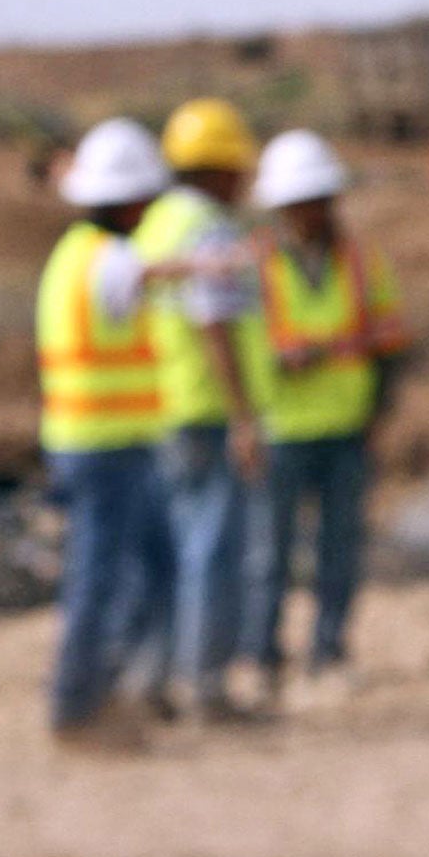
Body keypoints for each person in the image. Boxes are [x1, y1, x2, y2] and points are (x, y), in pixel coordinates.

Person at [239, 129, 409, 701]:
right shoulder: (257, 264)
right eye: (297, 203)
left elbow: (390, 344)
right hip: (280, 428)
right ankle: (263, 656)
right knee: (270, 553)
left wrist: (377, 417)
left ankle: (328, 651)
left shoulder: (363, 262)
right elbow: (239, 346)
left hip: (346, 429)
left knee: (340, 550)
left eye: (315, 199)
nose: (308, 212)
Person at [35, 118, 179, 749]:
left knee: (145, 572)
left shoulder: (71, 254)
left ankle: (118, 695)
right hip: (106, 445)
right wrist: (216, 262)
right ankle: (77, 706)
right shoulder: (114, 259)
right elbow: (152, 276)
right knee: (101, 579)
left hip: (87, 440)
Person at [126, 97, 263, 722]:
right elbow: (215, 324)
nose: (244, 181)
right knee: (211, 546)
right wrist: (243, 416)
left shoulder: (153, 225)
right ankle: (205, 685)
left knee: (166, 549)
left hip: (156, 407)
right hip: (204, 409)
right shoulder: (209, 229)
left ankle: (152, 679)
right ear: (216, 169)